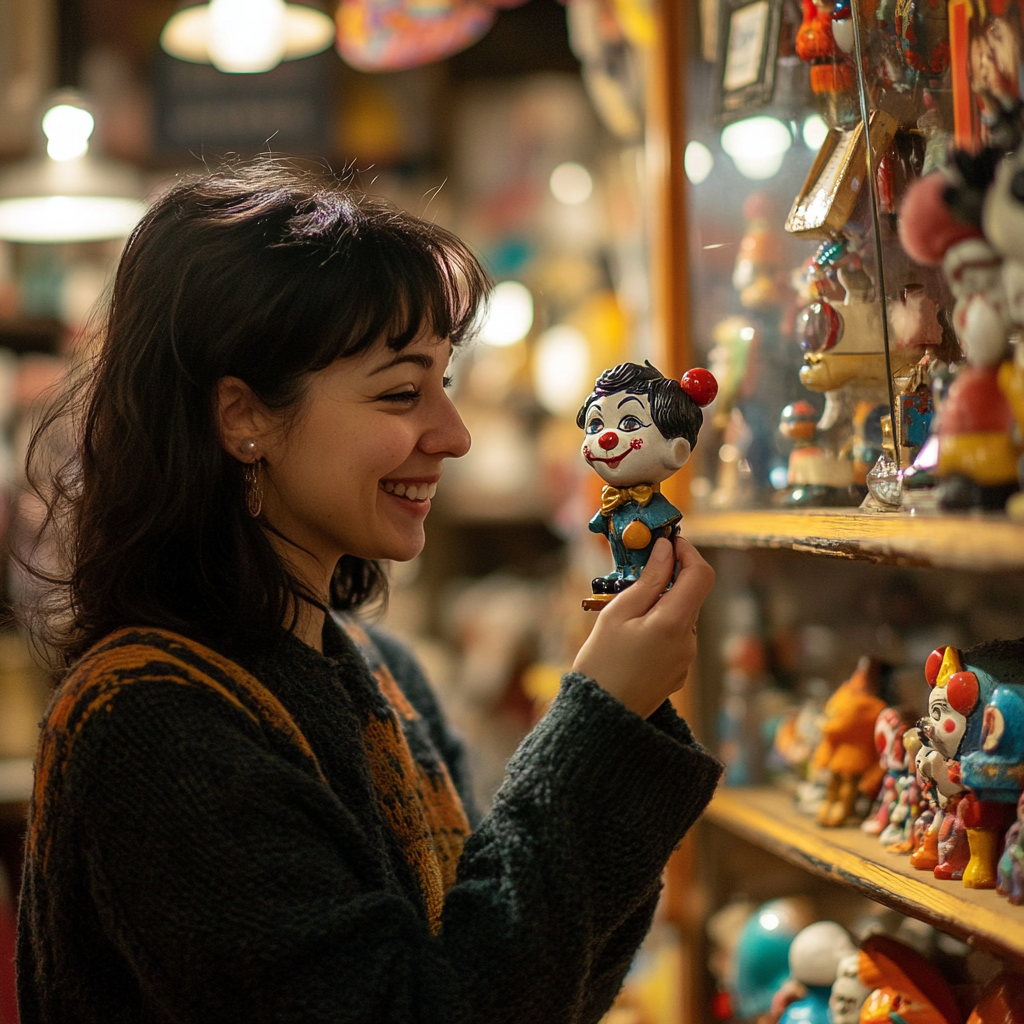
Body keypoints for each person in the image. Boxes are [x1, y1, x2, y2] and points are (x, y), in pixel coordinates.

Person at [15, 160, 721, 1024]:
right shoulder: (148, 721)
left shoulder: (380, 672)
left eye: (445, 384)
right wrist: (600, 723)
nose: (452, 436)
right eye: (401, 393)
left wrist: (623, 716)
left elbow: (529, 982)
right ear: (243, 418)